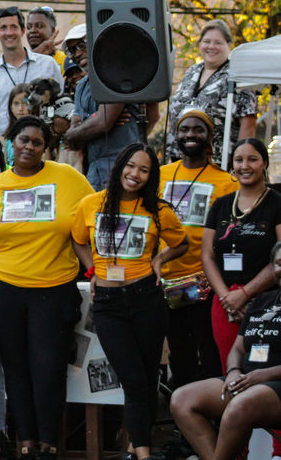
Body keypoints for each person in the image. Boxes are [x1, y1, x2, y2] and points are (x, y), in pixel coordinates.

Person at [0, 115, 93, 460]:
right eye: (24, 140)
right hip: (2, 290)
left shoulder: (69, 179)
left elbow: (90, 222)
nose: (29, 147)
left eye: (37, 142)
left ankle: (48, 444)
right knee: (16, 369)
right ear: (11, 142)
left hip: (54, 290)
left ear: (45, 148)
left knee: (48, 368)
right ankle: (25, 443)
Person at [71, 144, 187, 460]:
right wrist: (93, 270)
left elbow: (182, 243)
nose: (135, 174)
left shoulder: (159, 210)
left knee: (148, 378)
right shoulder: (90, 204)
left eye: (144, 170)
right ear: (120, 165)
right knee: (133, 379)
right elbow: (78, 240)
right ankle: (144, 454)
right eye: (131, 166)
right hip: (108, 303)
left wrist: (160, 259)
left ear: (151, 177)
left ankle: (138, 448)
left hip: (147, 298)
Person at [170, 240, 281, 460]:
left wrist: (262, 375)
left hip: (274, 382)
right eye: (278, 263)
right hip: (246, 379)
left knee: (240, 406)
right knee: (182, 400)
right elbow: (238, 348)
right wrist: (233, 371)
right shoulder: (262, 301)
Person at [160, 109, 238, 388]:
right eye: (184, 130)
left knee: (210, 355)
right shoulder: (159, 175)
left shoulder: (227, 183)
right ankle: (184, 423)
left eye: (198, 130)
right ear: (176, 136)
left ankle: (213, 417)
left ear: (209, 137)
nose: (190, 135)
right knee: (179, 357)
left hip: (204, 285)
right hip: (165, 283)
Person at [201, 138, 281, 367]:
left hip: (267, 301)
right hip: (225, 304)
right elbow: (207, 255)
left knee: (262, 367)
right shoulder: (220, 205)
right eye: (239, 160)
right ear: (232, 166)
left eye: (252, 159)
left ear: (264, 163)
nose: (245, 166)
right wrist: (227, 298)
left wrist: (245, 294)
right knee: (230, 368)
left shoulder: (277, 204)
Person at [65, 22, 159, 190]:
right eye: (72, 50)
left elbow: (102, 123)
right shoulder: (82, 85)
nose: (77, 54)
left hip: (125, 171)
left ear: (96, 42)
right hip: (94, 173)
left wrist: (99, 123)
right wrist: (95, 120)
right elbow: (73, 137)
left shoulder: (116, 74)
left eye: (81, 45)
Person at [166, 20, 257, 166]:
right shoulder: (192, 72)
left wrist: (240, 162)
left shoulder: (238, 75)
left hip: (216, 163)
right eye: (207, 41)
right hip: (180, 159)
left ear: (229, 45)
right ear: (200, 44)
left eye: (218, 43)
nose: (211, 47)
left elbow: (248, 123)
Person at [0, 8, 63, 137]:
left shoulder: (47, 64)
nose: (9, 33)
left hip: (43, 147)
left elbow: (60, 105)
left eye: (13, 27)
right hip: (4, 150)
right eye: (3, 28)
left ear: (23, 30)